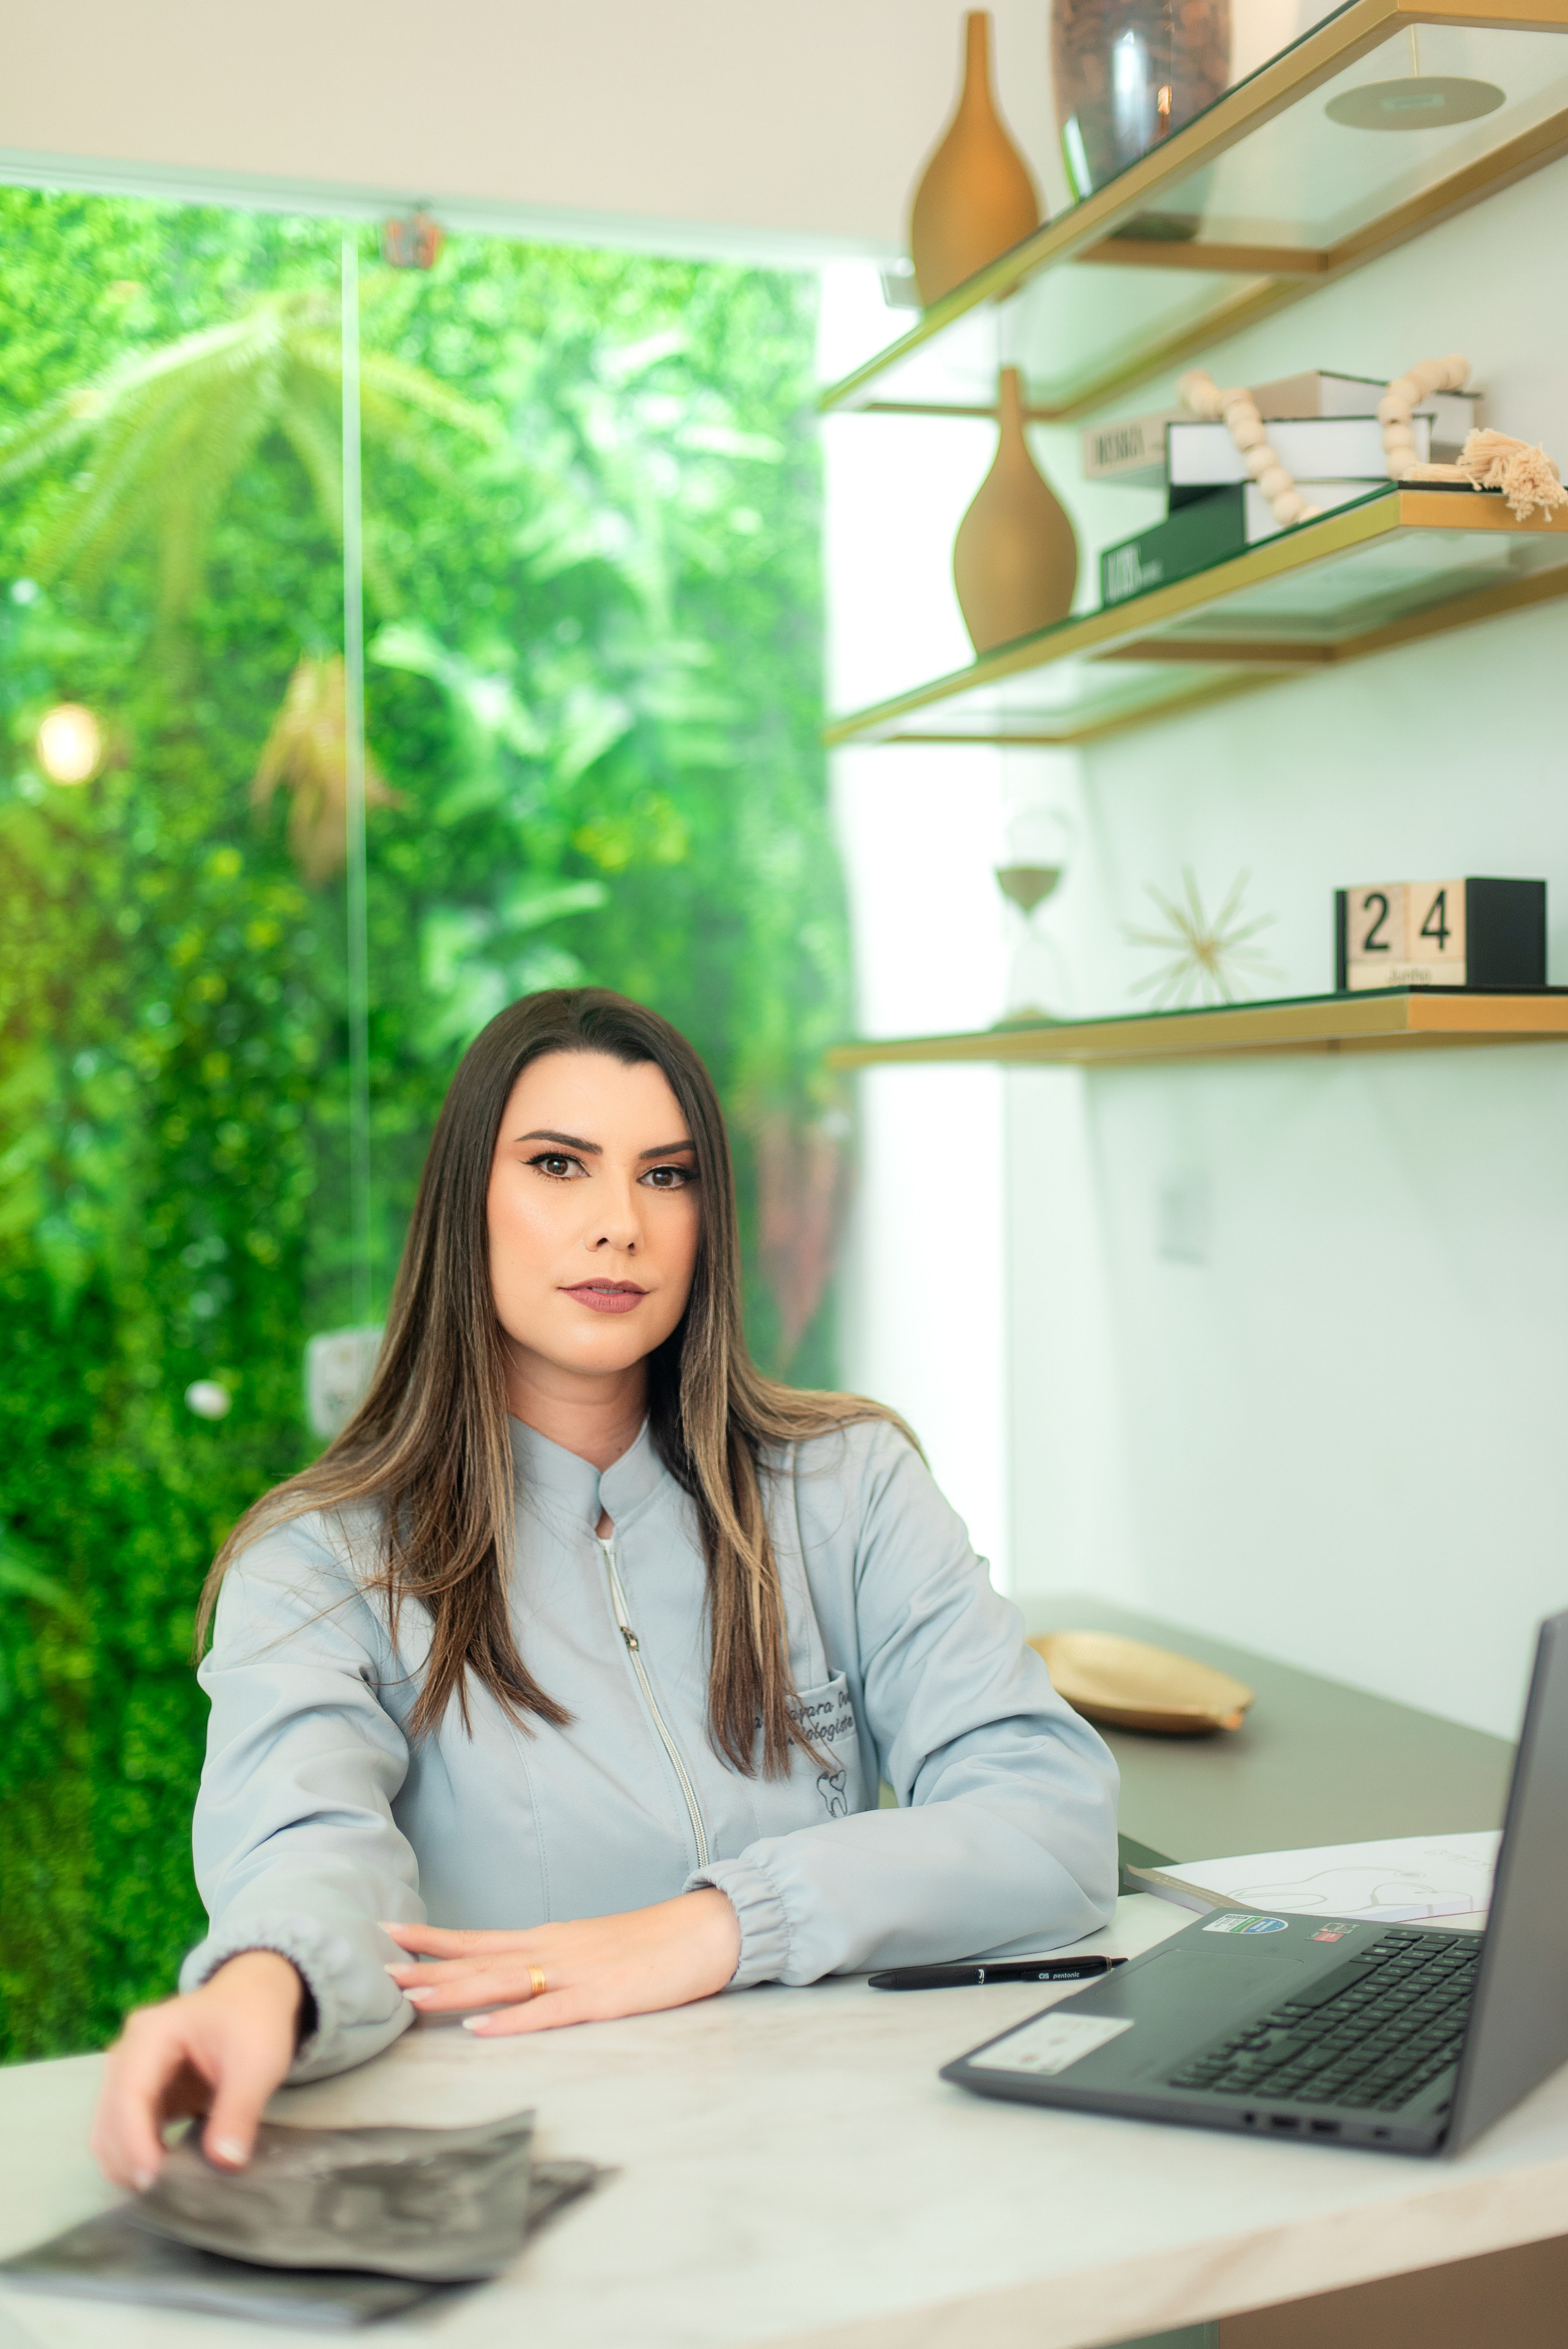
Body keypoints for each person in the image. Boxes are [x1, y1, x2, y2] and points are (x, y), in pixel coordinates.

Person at [91, 989, 1117, 2192]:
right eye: (558, 1165)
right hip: (524, 2182)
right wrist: (263, 1984)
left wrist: (723, 1924)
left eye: (665, 1176)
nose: (619, 1225)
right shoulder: (319, 1561)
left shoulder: (847, 1484)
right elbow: (307, 1855)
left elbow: (1048, 1818)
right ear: (466, 1204)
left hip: (837, 2166)